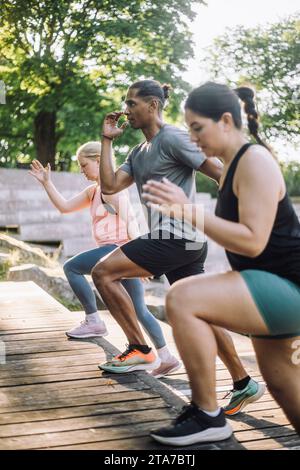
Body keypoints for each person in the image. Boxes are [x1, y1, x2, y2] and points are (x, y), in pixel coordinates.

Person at [91, 79, 264, 412]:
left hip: (178, 235)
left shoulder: (172, 138)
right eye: (125, 104)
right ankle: (244, 382)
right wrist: (106, 141)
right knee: (200, 312)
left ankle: (139, 347)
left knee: (103, 273)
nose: (125, 110)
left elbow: (219, 172)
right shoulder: (138, 151)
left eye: (131, 103)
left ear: (153, 105)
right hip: (179, 241)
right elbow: (111, 185)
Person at [142, 82, 300, 445]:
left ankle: (207, 414)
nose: (192, 138)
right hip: (269, 288)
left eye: (197, 128)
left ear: (226, 120)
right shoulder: (231, 168)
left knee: (183, 297)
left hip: (288, 288)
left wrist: (187, 211)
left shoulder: (255, 161)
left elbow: (252, 239)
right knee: (284, 388)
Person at [29, 141, 181, 377]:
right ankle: (167, 358)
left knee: (71, 267)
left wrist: (139, 262)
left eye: (83, 165)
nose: (81, 170)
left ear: (99, 161)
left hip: (120, 248)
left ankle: (93, 321)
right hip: (121, 253)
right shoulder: (94, 191)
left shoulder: (112, 191)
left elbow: (131, 222)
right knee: (139, 310)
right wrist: (47, 183)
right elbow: (65, 207)